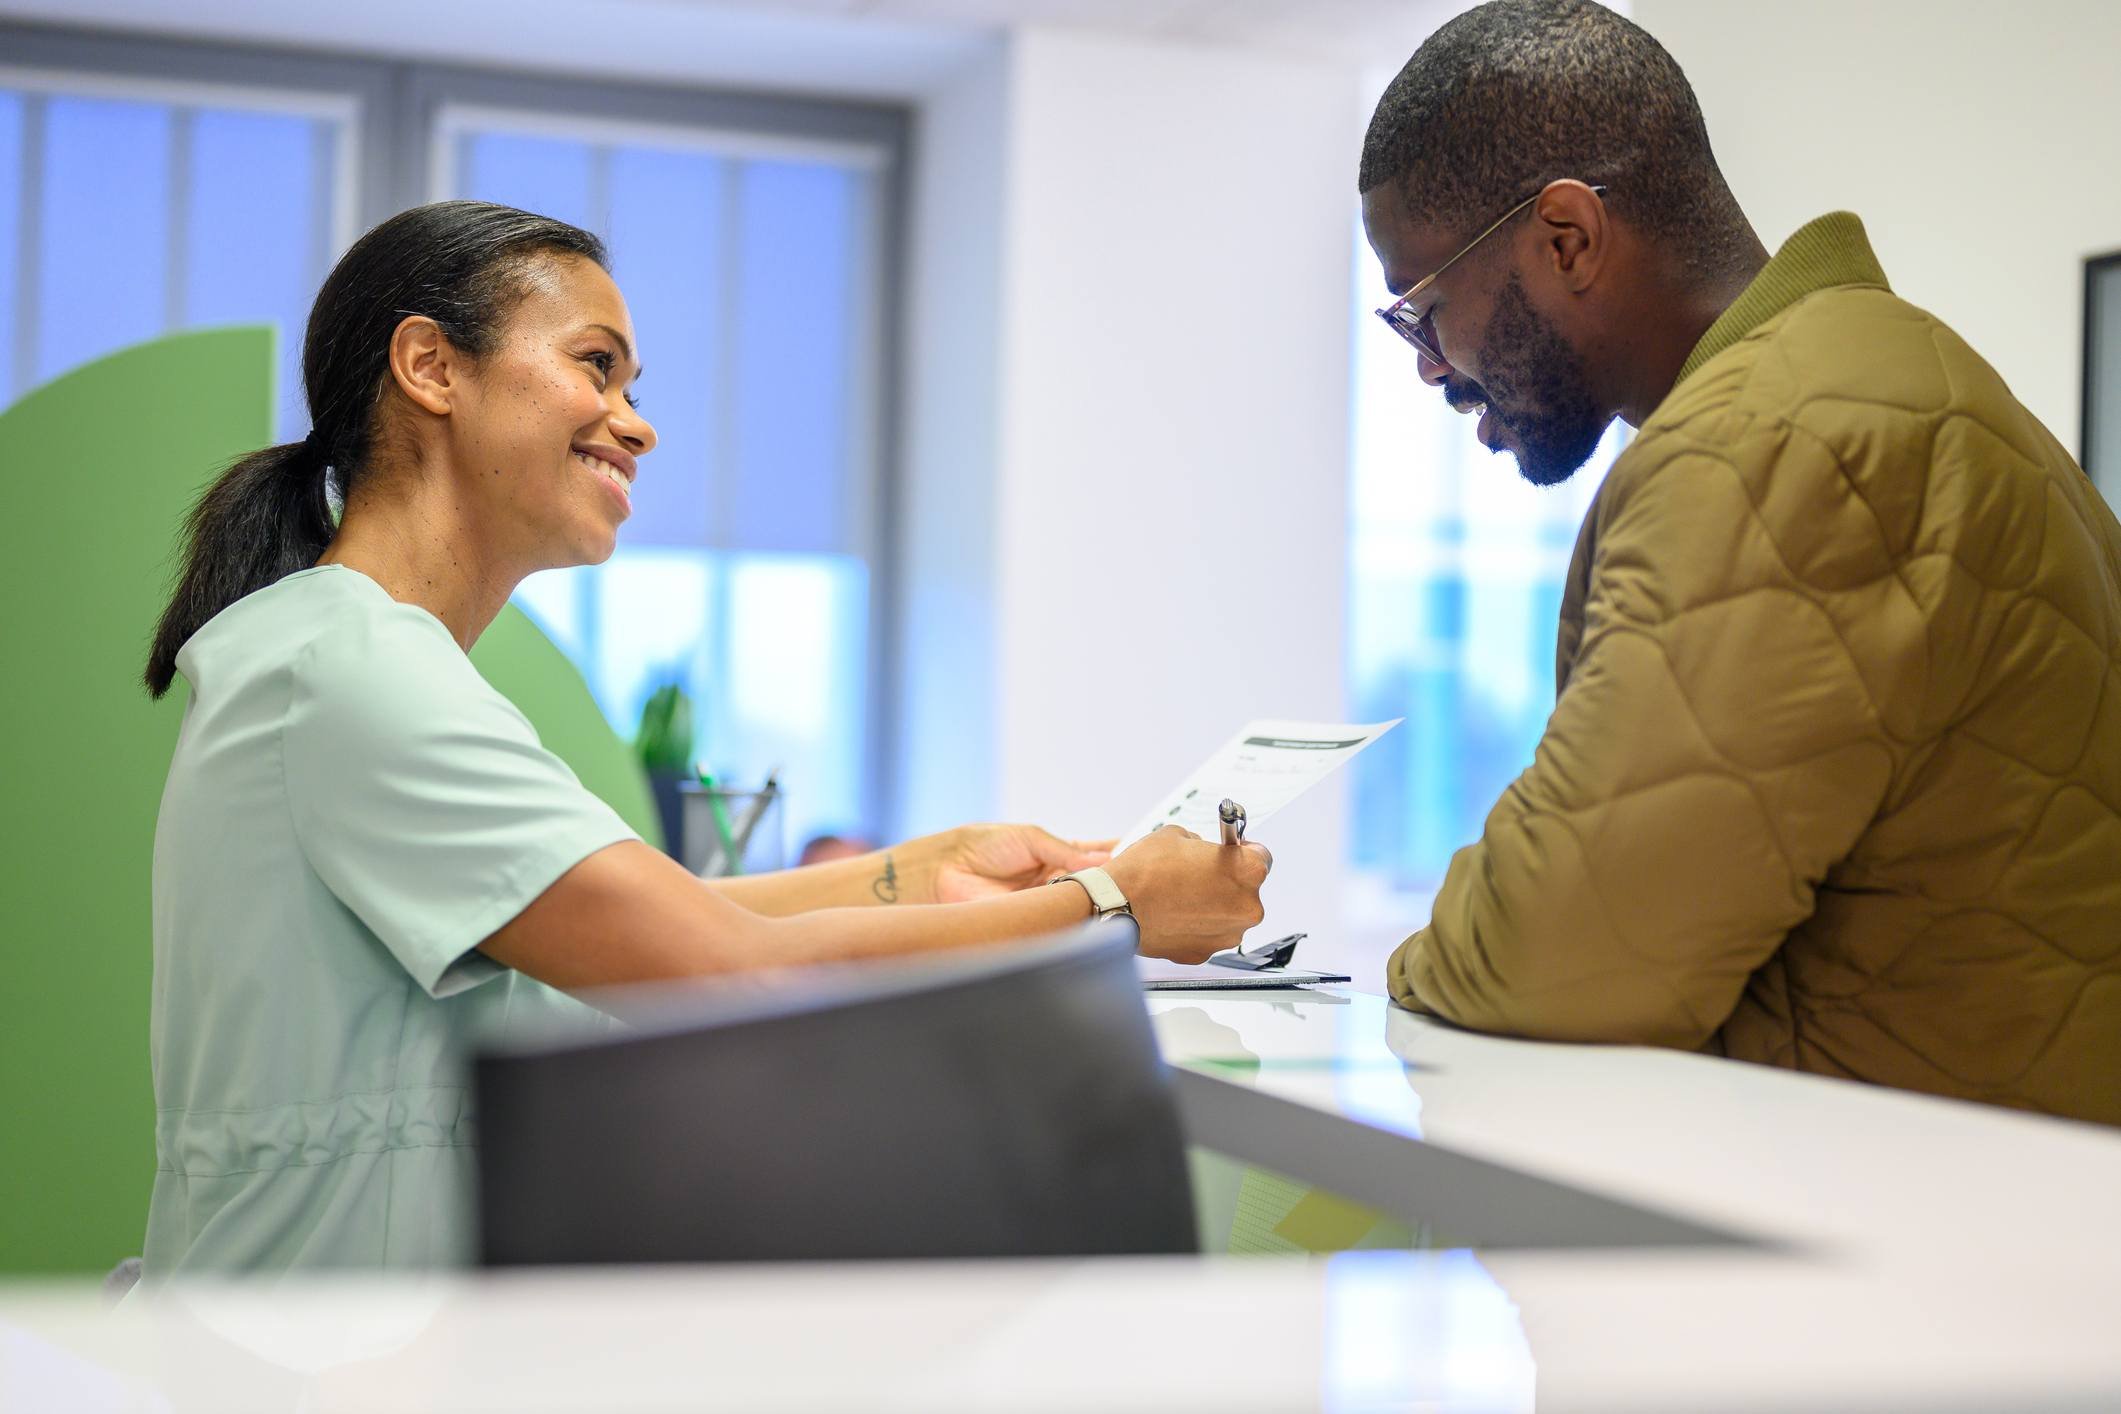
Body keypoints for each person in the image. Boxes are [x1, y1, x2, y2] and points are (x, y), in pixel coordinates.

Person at [139, 200, 1271, 1276]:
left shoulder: (360, 658)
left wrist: (921, 871)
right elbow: (733, 976)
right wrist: (1114, 908)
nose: (637, 421)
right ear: (431, 367)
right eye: (597, 365)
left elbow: (675, 928)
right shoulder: (355, 673)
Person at [1362, 0, 2120, 1123]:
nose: (1432, 368)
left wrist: (1423, 948)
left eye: (1424, 309)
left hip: (1896, 1257)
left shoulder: (1771, 437)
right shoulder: (1890, 375)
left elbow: (1559, 953)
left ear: (1567, 237)